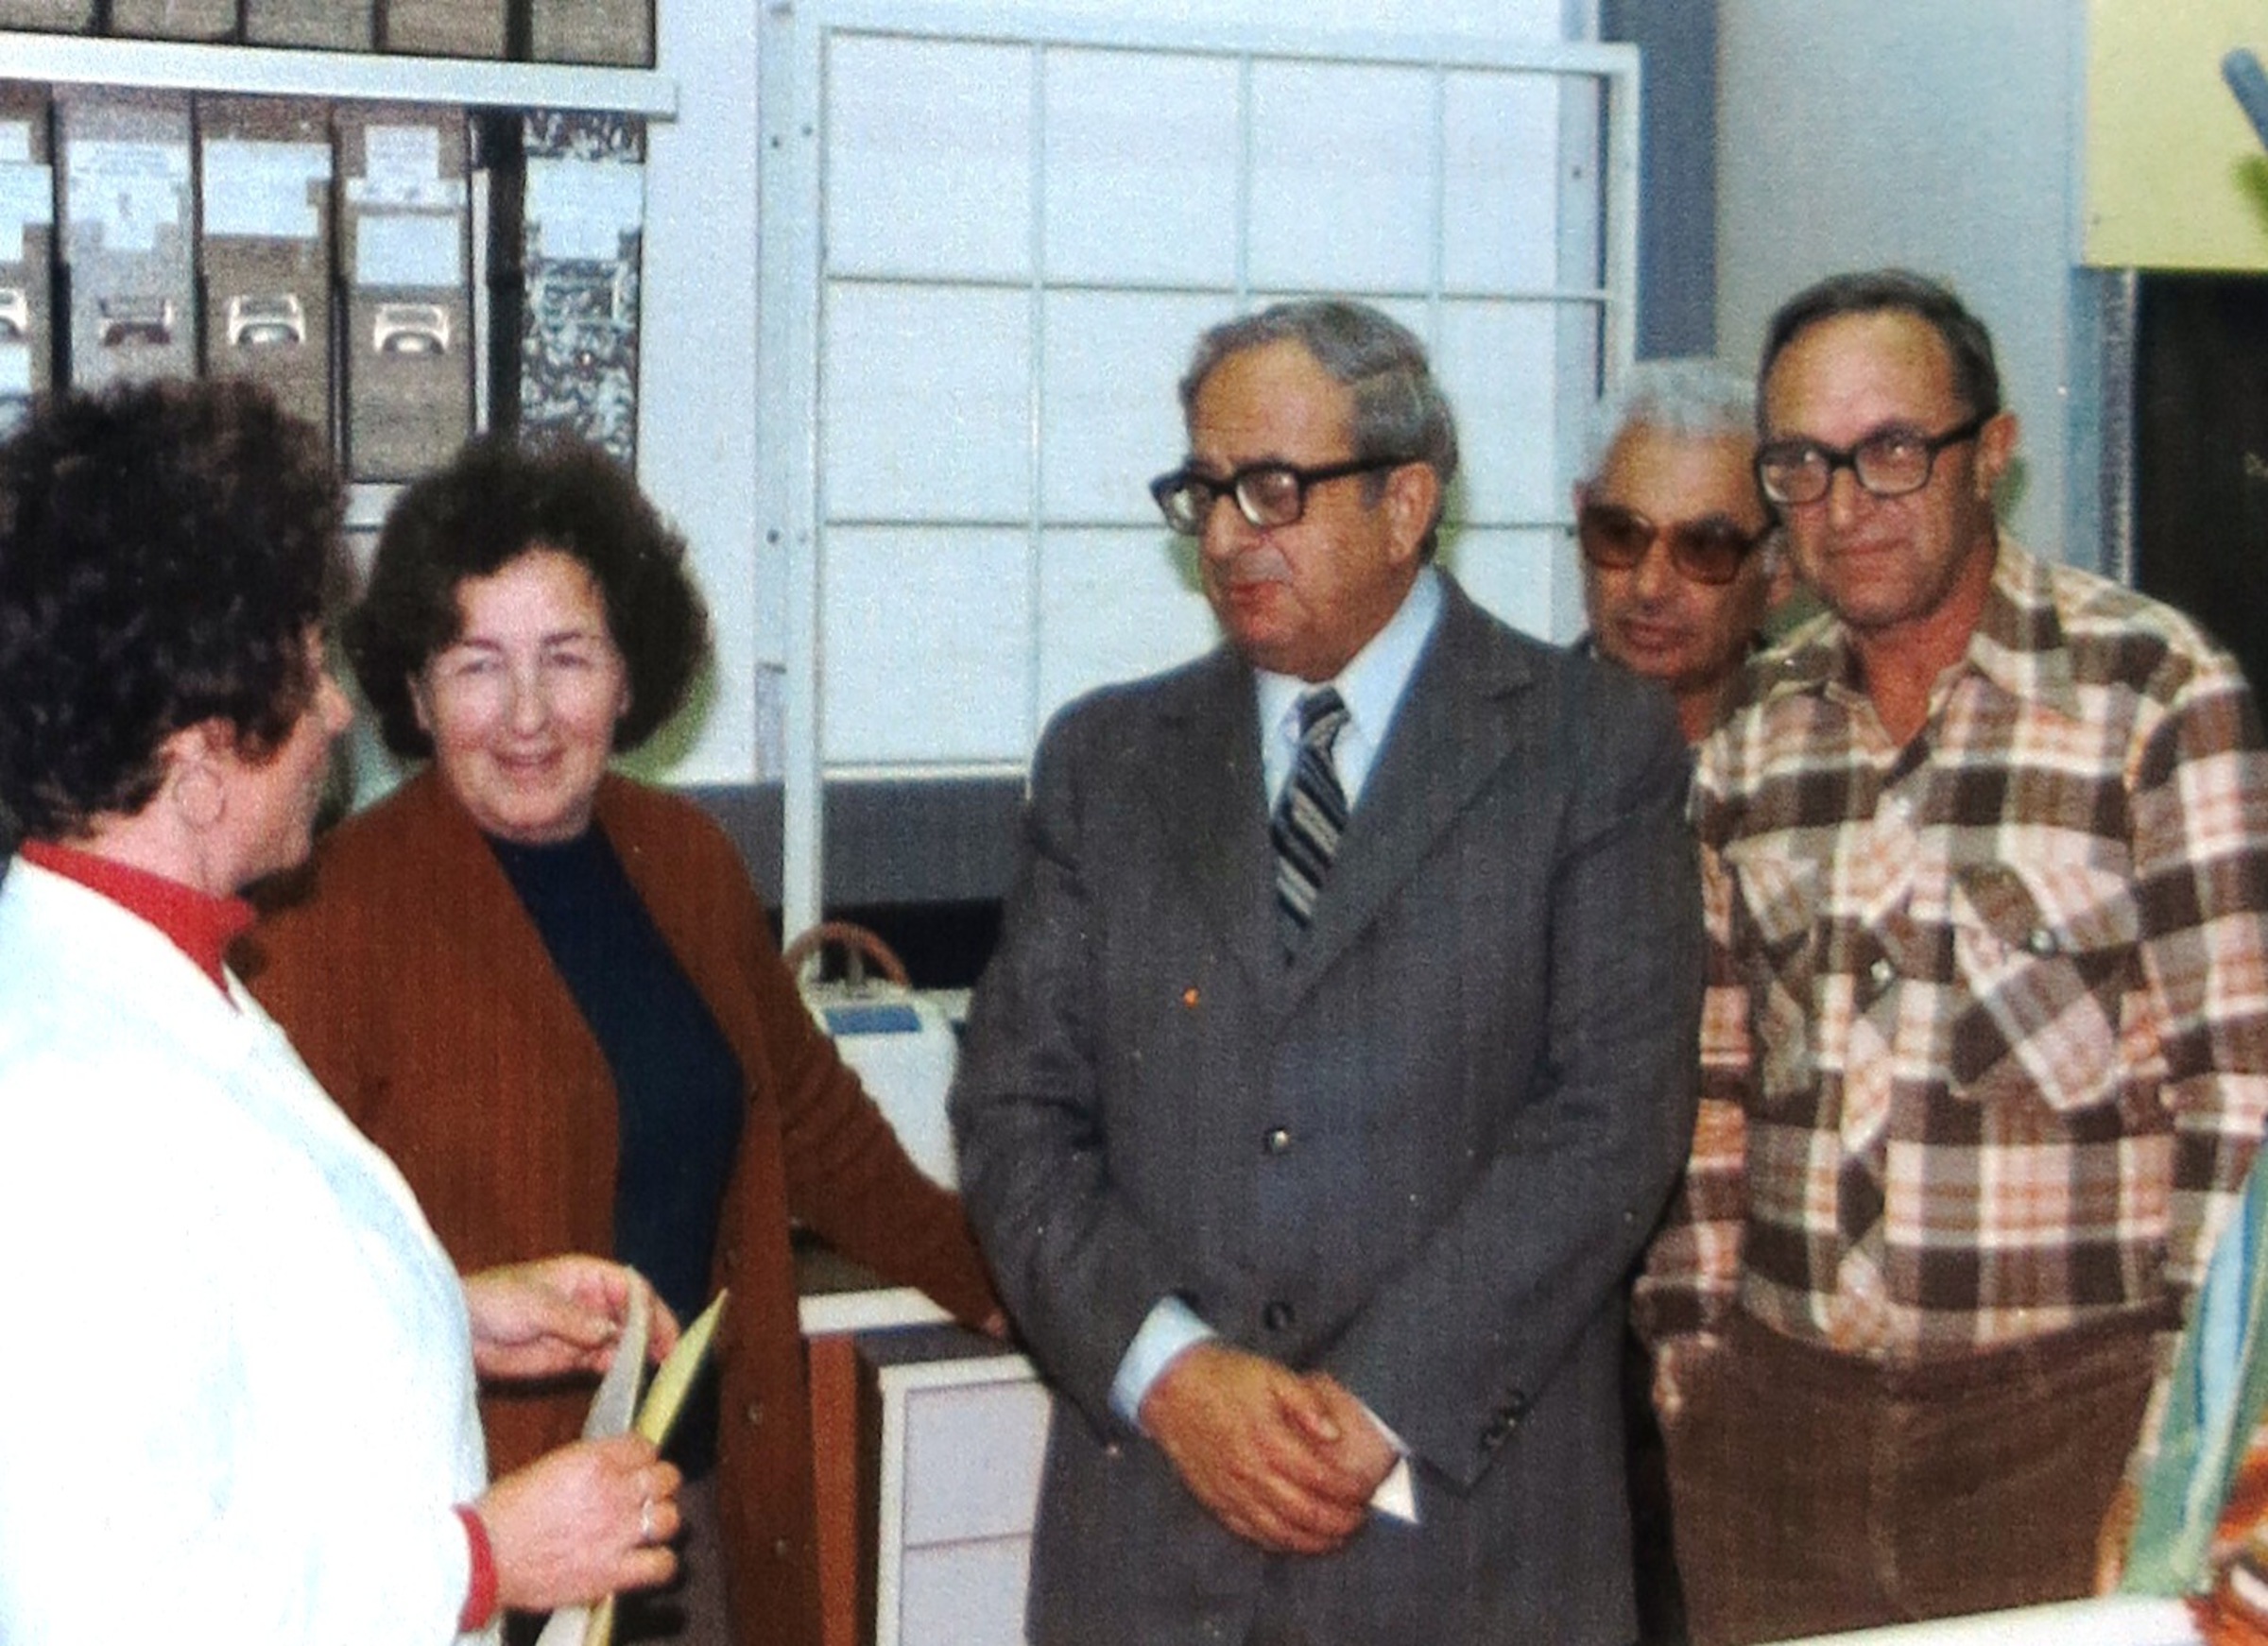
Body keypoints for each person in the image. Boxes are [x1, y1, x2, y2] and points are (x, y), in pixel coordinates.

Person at [950, 297, 1704, 1645]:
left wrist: (1374, 1407)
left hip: (1465, 1544)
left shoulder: (1593, 747)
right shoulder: (1106, 761)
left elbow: (1609, 1125)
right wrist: (1172, 1375)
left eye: (1274, 490)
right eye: (1206, 491)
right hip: (1156, 1540)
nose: (1227, 534)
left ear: (1406, 502)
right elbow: (1014, 1117)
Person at [241, 433, 999, 1646]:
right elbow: (277, 1280)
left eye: (568, 657)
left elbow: (818, 1131)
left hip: (691, 1513)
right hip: (487, 1546)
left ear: (630, 673)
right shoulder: (327, 918)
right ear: (416, 694)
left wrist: (1018, 1290)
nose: (528, 715)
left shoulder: (687, 859)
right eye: (478, 664)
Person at [1634, 267, 2268, 1644]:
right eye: (1802, 464)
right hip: (1778, 1440)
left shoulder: (2154, 697)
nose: (1845, 504)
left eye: (1893, 450)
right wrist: (1695, 1368)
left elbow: (2242, 1100)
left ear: (1994, 453)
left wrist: (2181, 1449)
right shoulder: (1755, 736)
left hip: (2067, 1424)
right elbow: (1711, 1091)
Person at [0, 379, 685, 1644]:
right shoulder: (59, 1105)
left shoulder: (159, 976)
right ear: (199, 762)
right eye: (308, 666)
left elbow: (206, 1339)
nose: (333, 713)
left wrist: (442, 1310)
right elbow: (103, 1606)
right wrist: (485, 1558)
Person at [1575, 357, 1787, 745]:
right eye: (1621, 535)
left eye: (1703, 548)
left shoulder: (1835, 750)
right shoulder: (1504, 743)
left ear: (1781, 568)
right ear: (1580, 515)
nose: (1650, 587)